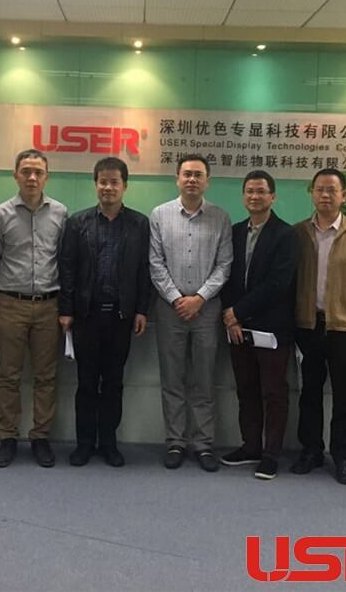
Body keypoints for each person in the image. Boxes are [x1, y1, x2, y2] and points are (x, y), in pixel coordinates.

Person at [58, 157, 152, 467]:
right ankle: (84, 443)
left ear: (125, 186)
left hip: (121, 318)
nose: (108, 187)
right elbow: (67, 269)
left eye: (114, 182)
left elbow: (144, 271)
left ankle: (109, 443)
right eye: (103, 181)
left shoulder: (139, 224)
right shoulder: (78, 223)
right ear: (95, 184)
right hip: (86, 316)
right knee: (86, 383)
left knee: (113, 383)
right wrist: (66, 310)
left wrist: (142, 309)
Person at [291, 168, 346, 485]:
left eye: (331, 190)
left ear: (343, 196)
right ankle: (311, 450)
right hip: (308, 326)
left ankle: (343, 457)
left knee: (344, 396)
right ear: (312, 194)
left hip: (345, 329)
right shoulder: (298, 234)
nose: (325, 195)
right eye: (319, 189)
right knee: (309, 393)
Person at [149, 154, 233, 472]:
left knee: (203, 379)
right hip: (169, 310)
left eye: (198, 175)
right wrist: (176, 298)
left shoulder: (221, 217)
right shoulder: (160, 215)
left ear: (207, 181)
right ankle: (175, 441)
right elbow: (155, 263)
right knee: (172, 379)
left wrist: (199, 298)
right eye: (187, 174)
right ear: (177, 179)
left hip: (207, 310)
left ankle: (203, 444)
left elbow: (224, 265)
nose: (192, 180)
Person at [0, 149, 67, 468]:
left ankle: (40, 437)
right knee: (9, 375)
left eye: (38, 172)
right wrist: (11, 288)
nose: (32, 177)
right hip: (11, 304)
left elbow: (63, 258)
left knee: (46, 376)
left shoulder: (60, 213)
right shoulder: (1, 215)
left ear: (47, 177)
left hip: (49, 306)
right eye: (26, 171)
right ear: (16, 175)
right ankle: (7, 437)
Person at [220, 170, 297, 481]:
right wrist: (231, 316)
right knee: (247, 389)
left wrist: (237, 311)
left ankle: (271, 454)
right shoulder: (235, 232)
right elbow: (226, 275)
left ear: (272, 197)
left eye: (261, 191)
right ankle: (250, 446)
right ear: (243, 196)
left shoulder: (286, 235)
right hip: (238, 328)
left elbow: (279, 283)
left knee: (273, 392)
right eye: (249, 191)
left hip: (272, 328)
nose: (255, 196)